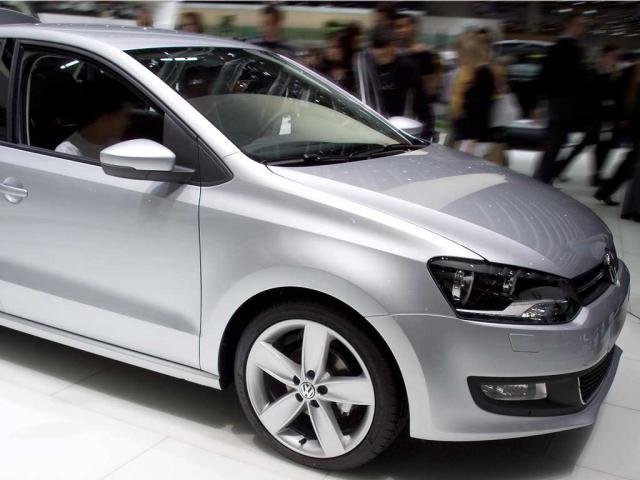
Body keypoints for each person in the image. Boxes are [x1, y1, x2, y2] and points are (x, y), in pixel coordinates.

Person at [554, 44, 622, 185]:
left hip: (606, 116)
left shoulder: (616, 74)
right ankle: (560, 169)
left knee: (600, 145)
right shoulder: (595, 72)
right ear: (604, 56)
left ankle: (593, 175)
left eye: (616, 57)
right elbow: (591, 93)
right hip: (593, 115)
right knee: (587, 144)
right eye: (612, 56)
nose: (614, 59)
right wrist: (609, 77)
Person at [534, 12, 587, 183]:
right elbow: (576, 80)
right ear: (571, 26)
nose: (583, 29)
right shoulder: (573, 49)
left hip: (556, 102)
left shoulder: (556, 47)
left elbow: (543, 76)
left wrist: (540, 102)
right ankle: (544, 178)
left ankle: (544, 176)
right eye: (580, 25)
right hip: (563, 103)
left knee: (554, 141)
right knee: (555, 141)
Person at [362, 26, 434, 140]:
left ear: (394, 46)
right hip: (367, 129)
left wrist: (427, 134)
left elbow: (422, 102)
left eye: (385, 47)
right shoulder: (364, 67)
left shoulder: (406, 67)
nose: (381, 52)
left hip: (397, 130)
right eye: (377, 48)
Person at [595, 61, 640, 211]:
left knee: (631, 160)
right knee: (632, 161)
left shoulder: (630, 70)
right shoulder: (631, 72)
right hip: (633, 120)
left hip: (630, 120)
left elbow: (617, 94)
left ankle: (606, 191)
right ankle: (607, 192)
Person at [56, 80, 132, 160]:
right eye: (125, 116)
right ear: (105, 119)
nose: (128, 122)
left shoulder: (117, 145)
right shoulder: (67, 152)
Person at [449, 31, 496, 154]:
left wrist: (473, 140)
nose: (458, 58)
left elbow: (481, 110)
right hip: (463, 137)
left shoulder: (483, 74)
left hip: (474, 141)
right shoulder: (465, 73)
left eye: (460, 54)